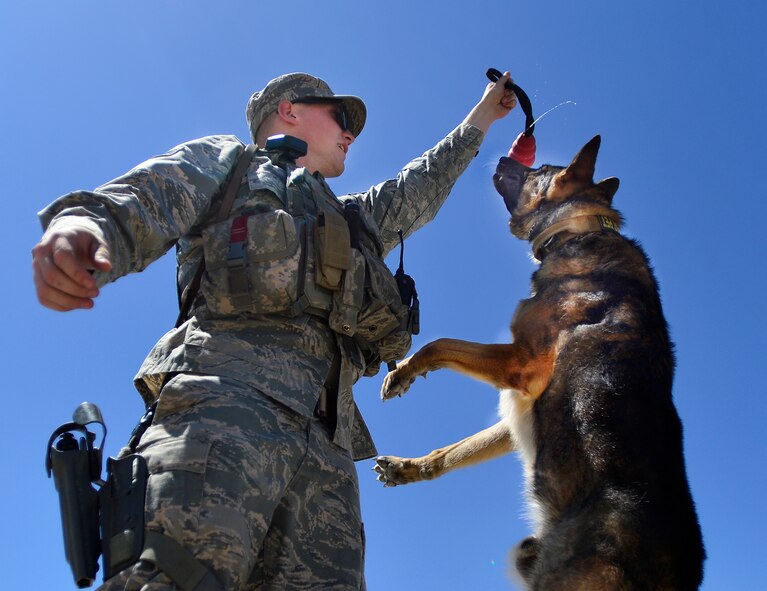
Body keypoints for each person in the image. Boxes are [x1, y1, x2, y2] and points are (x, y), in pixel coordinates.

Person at [33, 71, 517, 591]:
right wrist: (84, 228)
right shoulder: (231, 165)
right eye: (339, 117)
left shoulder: (356, 219)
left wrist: (485, 114)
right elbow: (151, 195)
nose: (350, 134)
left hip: (329, 462)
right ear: (288, 110)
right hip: (222, 411)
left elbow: (423, 183)